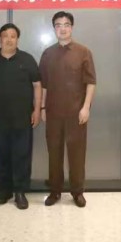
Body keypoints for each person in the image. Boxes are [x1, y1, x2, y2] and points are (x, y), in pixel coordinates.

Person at [0, 23, 42, 210]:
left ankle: (20, 192)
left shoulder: (27, 59)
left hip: (23, 118)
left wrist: (37, 110)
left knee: (22, 155)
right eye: (5, 36)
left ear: (17, 39)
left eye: (13, 36)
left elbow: (37, 85)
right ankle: (4, 190)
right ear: (0, 39)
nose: (9, 39)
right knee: (1, 155)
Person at [39, 11, 96, 208]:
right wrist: (42, 107)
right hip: (53, 112)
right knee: (54, 153)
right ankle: (55, 191)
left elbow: (91, 82)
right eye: (58, 25)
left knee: (77, 154)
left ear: (72, 27)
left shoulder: (83, 52)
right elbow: (44, 85)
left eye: (66, 25)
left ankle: (77, 192)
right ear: (54, 28)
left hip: (76, 113)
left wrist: (86, 108)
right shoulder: (48, 54)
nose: (62, 29)